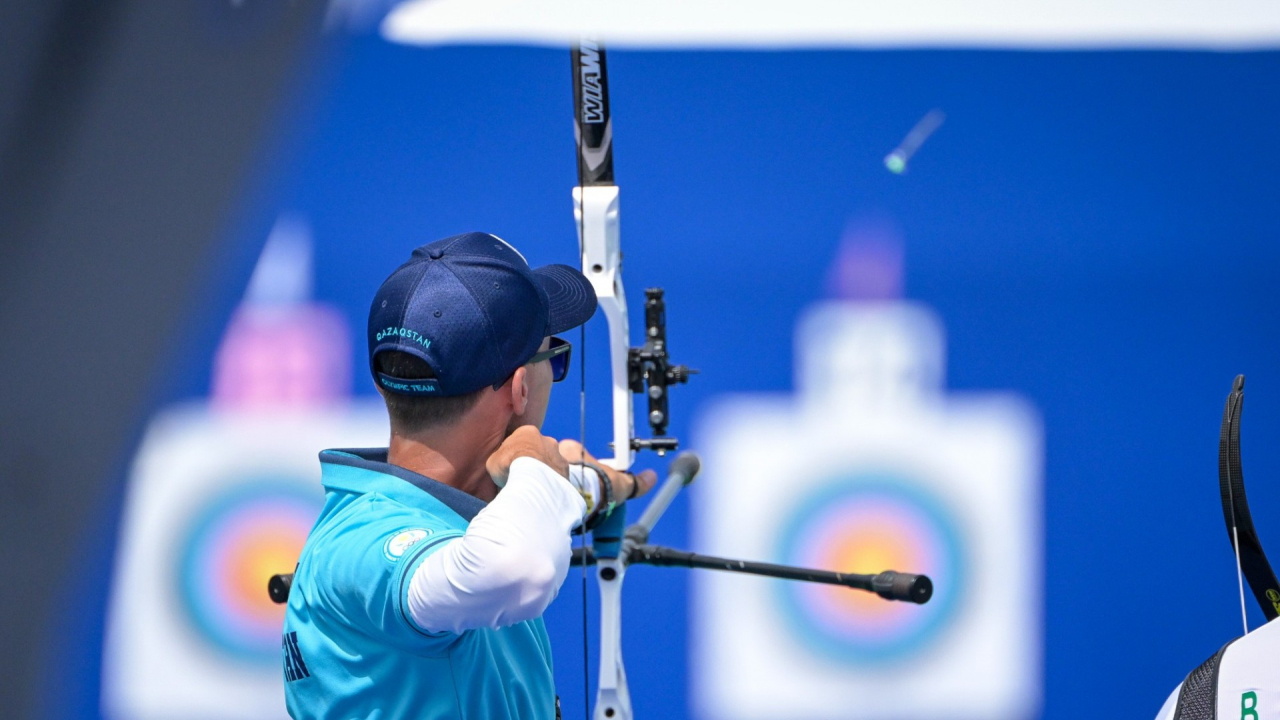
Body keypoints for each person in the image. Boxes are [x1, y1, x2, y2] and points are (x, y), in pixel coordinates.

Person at [282, 232, 656, 720]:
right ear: (519, 388)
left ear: (381, 382)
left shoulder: (465, 512)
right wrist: (535, 467)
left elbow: (507, 523)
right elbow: (518, 570)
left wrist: (589, 487)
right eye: (554, 357)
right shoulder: (361, 545)